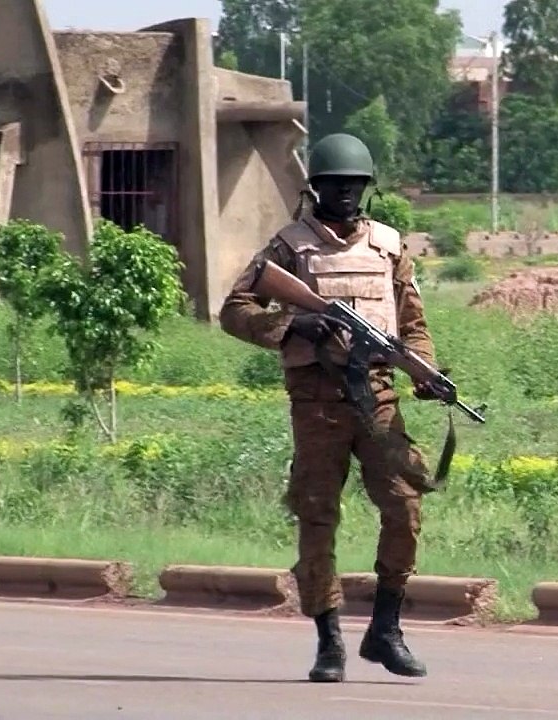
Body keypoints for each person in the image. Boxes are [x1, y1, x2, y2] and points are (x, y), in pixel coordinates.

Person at [218, 133, 444, 683]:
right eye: (334, 184)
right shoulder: (290, 247)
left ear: (367, 189)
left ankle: (385, 629)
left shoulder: (389, 246)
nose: (344, 193)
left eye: (354, 185)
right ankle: (329, 641)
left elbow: (412, 324)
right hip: (317, 403)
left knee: (404, 508)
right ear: (315, 187)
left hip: (379, 396)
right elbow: (235, 309)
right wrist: (294, 323)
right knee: (318, 518)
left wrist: (425, 372)